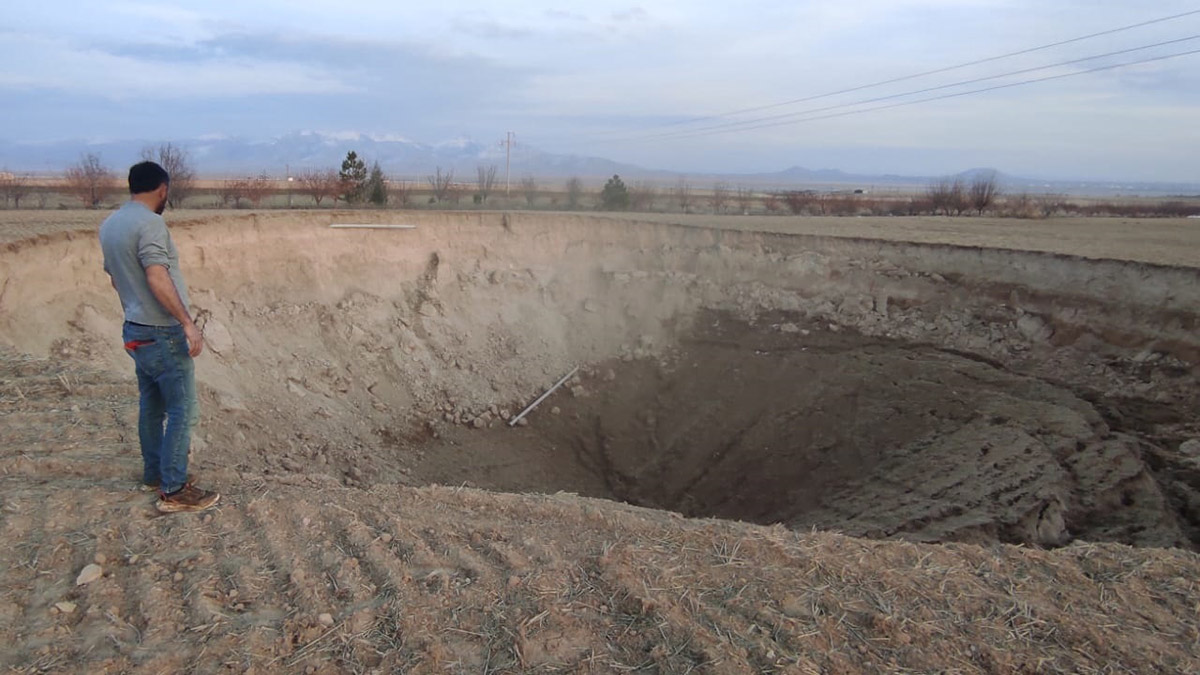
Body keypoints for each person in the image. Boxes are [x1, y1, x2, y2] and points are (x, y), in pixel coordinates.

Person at [99, 161, 220, 513]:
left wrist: (135, 309)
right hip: (161, 332)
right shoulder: (151, 224)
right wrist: (186, 322)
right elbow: (156, 275)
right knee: (183, 409)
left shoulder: (110, 225)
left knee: (152, 406)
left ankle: (155, 473)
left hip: (135, 328)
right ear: (162, 188)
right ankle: (174, 489)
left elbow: (116, 279)